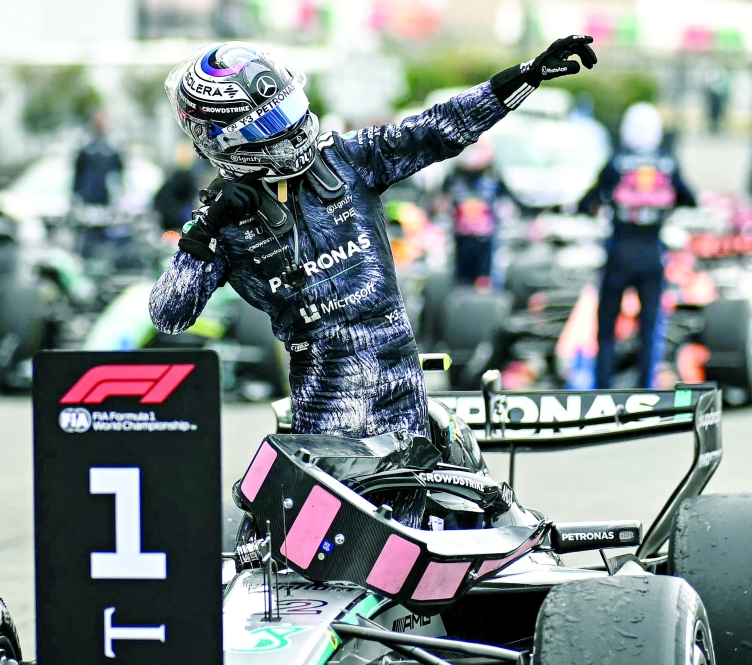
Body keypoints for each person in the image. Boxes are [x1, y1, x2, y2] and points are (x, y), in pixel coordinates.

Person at [150, 37, 596, 438]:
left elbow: (441, 127)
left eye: (286, 112)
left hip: (405, 401)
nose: (289, 131)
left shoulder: (349, 158)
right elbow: (168, 315)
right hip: (324, 417)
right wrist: (204, 230)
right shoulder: (218, 223)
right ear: (218, 139)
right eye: (266, 126)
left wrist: (527, 75)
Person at [577, 102, 696, 389]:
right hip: (652, 252)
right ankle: (646, 388)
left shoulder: (617, 161)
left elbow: (588, 201)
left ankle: (602, 387)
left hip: (619, 251)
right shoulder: (667, 163)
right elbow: (690, 198)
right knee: (649, 328)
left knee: (606, 329)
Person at [439, 137, 520, 289]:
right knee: (461, 279)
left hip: (486, 241)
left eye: (480, 148)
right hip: (461, 239)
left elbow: (513, 201)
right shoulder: (454, 176)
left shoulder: (493, 175)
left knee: (485, 279)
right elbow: (437, 202)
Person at [72, 111, 124, 207]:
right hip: (87, 197)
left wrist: (119, 195)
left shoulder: (113, 149)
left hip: (108, 198)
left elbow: (119, 174)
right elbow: (78, 175)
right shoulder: (86, 149)